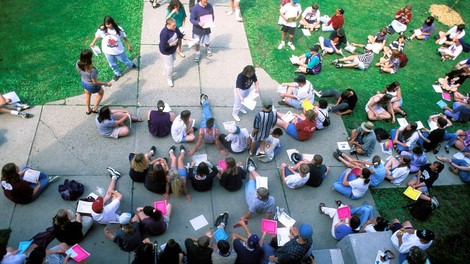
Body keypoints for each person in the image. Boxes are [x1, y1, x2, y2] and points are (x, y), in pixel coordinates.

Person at [90, 16, 137, 81]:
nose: (107, 26)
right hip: (107, 51)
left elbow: (124, 37)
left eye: (109, 24)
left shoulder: (118, 29)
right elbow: (97, 36)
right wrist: (93, 43)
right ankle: (117, 74)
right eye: (106, 24)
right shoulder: (102, 29)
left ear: (112, 22)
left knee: (125, 60)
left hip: (118, 51)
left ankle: (131, 64)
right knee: (112, 64)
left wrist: (129, 45)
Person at [76, 49, 110, 115]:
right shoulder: (92, 70)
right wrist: (106, 83)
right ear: (89, 58)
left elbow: (79, 71)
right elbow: (95, 82)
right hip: (91, 86)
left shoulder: (78, 63)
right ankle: (95, 108)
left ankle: (88, 110)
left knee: (87, 95)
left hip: (84, 82)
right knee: (101, 93)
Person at [159, 18, 186, 87]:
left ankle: (166, 70)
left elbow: (180, 35)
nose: (175, 27)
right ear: (168, 24)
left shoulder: (175, 28)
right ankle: (169, 78)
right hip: (166, 52)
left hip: (173, 49)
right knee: (170, 67)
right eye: (173, 26)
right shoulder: (164, 33)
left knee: (172, 60)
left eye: (175, 25)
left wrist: (191, 39)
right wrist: (174, 42)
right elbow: (164, 46)